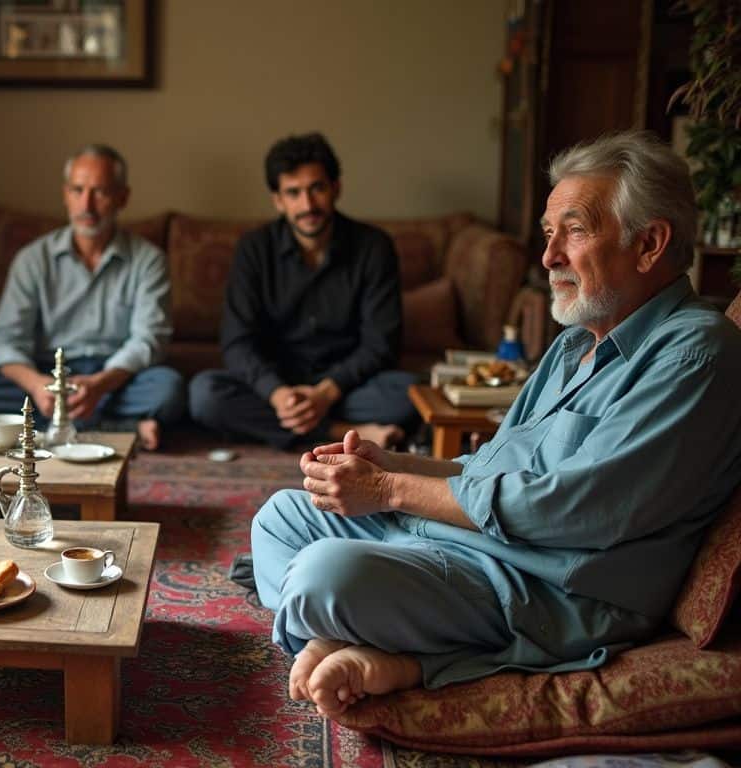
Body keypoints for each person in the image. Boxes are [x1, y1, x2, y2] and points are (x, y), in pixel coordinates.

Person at [249, 131, 741, 719]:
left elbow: (579, 508)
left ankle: (408, 660)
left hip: (551, 585)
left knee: (324, 576)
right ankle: (367, 642)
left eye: (575, 231)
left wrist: (388, 491)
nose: (549, 256)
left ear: (649, 243)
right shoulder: (572, 347)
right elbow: (488, 468)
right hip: (474, 545)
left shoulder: (694, 353)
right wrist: (393, 463)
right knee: (279, 519)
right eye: (548, 234)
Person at [0, 144, 185, 451]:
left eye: (100, 192)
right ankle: (120, 429)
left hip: (114, 379)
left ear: (122, 198)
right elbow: (4, 341)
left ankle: (57, 427)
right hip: (45, 375)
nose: (87, 204)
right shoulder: (33, 259)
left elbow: (149, 340)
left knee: (169, 389)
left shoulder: (148, 260)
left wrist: (99, 385)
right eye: (77, 190)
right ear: (65, 194)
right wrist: (36, 385)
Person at [189, 133, 416, 450]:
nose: (307, 205)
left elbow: (381, 343)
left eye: (317, 189)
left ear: (336, 188)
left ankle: (311, 427)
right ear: (278, 201)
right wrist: (278, 393)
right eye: (293, 193)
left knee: (411, 395)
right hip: (277, 387)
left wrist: (326, 393)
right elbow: (237, 341)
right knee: (205, 395)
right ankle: (341, 432)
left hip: (345, 386)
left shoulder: (373, 247)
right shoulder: (254, 249)